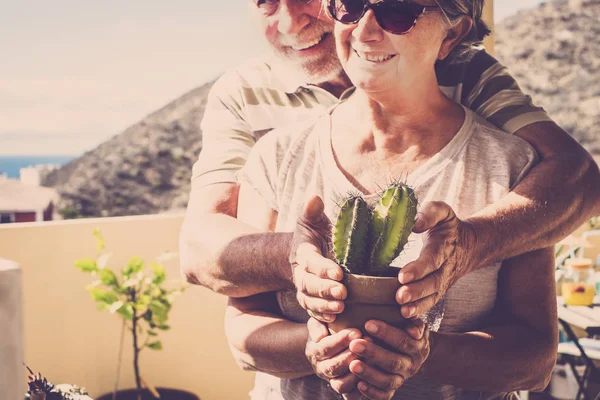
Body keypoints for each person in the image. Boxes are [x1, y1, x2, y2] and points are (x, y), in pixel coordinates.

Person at [179, 0, 599, 323]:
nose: (289, 23)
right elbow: (200, 248)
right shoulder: (244, 92)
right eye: (266, 1)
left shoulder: (463, 69)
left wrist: (466, 247)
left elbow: (574, 176)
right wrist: (308, 258)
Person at [227, 0, 558, 398]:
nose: (364, 31)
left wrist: (423, 353)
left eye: (398, 10)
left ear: (450, 34)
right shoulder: (277, 155)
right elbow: (242, 329)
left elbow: (536, 360)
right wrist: (316, 347)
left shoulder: (512, 165)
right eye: (348, 6)